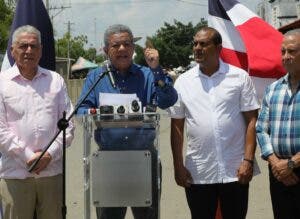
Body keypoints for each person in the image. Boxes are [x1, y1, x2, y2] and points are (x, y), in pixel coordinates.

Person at [76, 24, 177, 219]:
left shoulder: (148, 75)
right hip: (108, 158)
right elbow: (81, 110)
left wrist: (156, 70)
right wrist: (97, 112)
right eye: (116, 45)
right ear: (106, 50)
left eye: (127, 44)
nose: (122, 49)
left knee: (148, 215)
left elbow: (169, 100)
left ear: (133, 48)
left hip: (145, 157)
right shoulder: (96, 76)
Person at [167, 26, 260, 219]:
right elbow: (177, 127)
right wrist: (178, 165)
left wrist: (248, 160)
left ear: (218, 48)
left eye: (203, 44)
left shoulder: (239, 77)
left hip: (235, 170)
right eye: (195, 43)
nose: (197, 48)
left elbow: (252, 120)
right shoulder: (183, 82)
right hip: (199, 172)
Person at [0, 25, 75, 219]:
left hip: (51, 174)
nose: (29, 51)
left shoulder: (55, 81)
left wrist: (49, 154)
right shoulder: (1, 83)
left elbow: (68, 124)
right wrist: (27, 156)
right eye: (23, 46)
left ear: (41, 51)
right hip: (16, 174)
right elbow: (0, 130)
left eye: (34, 46)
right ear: (12, 51)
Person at [256, 30, 300, 219]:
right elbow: (261, 128)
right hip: (278, 172)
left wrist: (292, 163)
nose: (286, 57)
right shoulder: (273, 89)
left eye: (291, 51)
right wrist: (276, 164)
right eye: (283, 52)